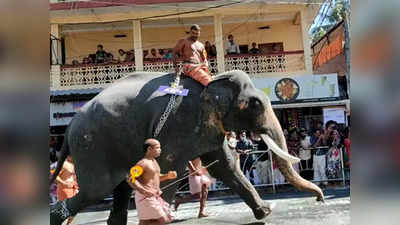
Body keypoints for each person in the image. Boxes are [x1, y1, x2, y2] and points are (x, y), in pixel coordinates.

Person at [126, 139, 177, 225]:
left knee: (145, 222)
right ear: (149, 149)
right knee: (164, 220)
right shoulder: (142, 163)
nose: (160, 150)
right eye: (158, 148)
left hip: (153, 196)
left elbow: (155, 177)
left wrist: (167, 176)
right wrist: (144, 190)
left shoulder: (154, 161)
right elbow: (130, 179)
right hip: (145, 197)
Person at [55, 155, 78, 225]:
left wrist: (76, 187)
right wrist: (64, 183)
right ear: (68, 156)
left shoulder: (73, 164)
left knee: (74, 210)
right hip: (64, 190)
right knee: (64, 210)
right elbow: (55, 176)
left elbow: (74, 177)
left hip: (72, 189)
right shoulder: (63, 164)